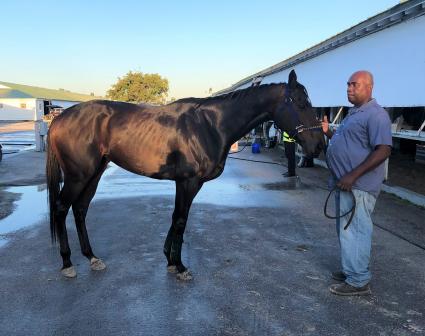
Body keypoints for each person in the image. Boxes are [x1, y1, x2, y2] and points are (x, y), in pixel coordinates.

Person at [322, 70, 392, 296]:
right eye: (348, 84)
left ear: (369, 87)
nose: (349, 88)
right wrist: (328, 132)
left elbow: (383, 150)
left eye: (355, 85)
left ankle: (359, 280)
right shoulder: (354, 114)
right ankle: (351, 268)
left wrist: (352, 175)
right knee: (345, 230)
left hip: (358, 187)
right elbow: (348, 142)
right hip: (344, 184)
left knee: (356, 231)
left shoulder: (377, 115)